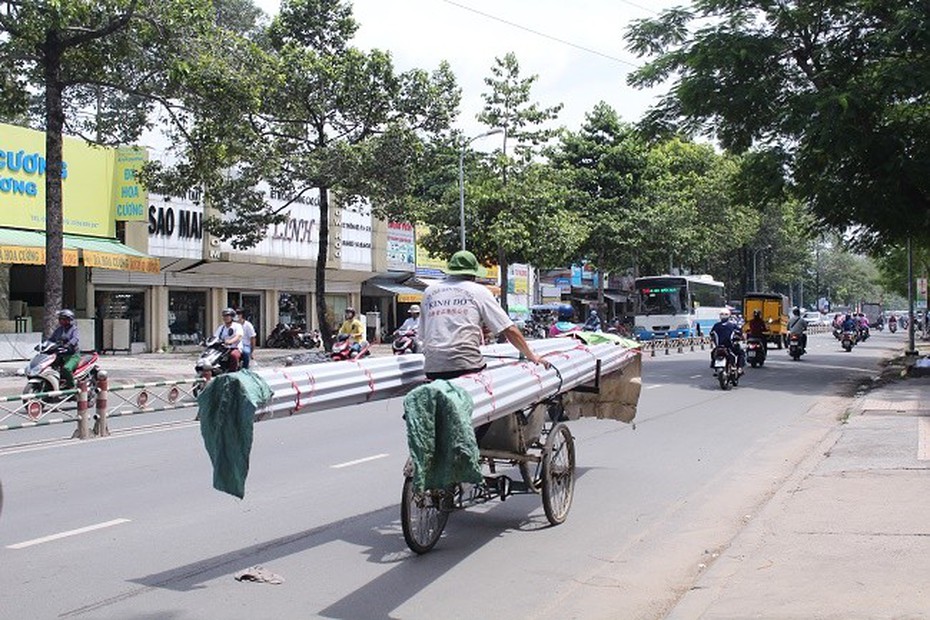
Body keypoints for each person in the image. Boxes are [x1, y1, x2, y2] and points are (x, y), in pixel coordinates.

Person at [421, 250, 548, 381]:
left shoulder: (429, 292)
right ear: (473, 274)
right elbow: (509, 329)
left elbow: (424, 335)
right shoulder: (478, 291)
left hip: (432, 368)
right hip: (466, 365)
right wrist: (532, 356)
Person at [48, 309, 81, 388]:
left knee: (66, 368)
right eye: (61, 319)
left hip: (72, 355)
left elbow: (75, 338)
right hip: (60, 354)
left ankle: (71, 387)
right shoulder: (59, 330)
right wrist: (44, 345)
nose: (62, 321)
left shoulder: (74, 329)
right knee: (49, 366)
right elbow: (52, 339)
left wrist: (69, 344)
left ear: (70, 320)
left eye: (64, 319)